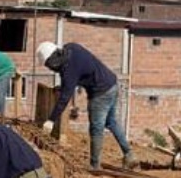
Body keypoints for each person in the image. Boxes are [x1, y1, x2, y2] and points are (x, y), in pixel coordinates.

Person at [36, 41, 137, 170]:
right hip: (112, 84)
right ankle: (129, 155)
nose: (50, 69)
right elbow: (75, 72)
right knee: (111, 122)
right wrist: (65, 86)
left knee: (96, 128)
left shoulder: (69, 71)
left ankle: (95, 166)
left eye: (49, 65)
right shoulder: (71, 47)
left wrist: (51, 120)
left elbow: (64, 98)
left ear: (53, 61)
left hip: (100, 93)